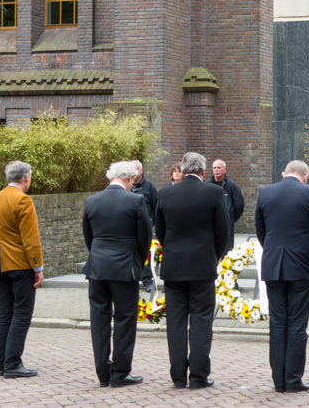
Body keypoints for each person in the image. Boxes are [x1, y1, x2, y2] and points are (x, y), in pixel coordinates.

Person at [155, 152, 229, 390]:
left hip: (174, 268)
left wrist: (173, 252)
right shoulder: (214, 193)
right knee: (201, 321)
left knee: (175, 323)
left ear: (183, 169)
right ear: (203, 172)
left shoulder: (165, 193)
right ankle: (198, 377)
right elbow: (223, 232)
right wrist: (212, 256)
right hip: (202, 267)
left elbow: (161, 231)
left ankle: (178, 377)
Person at [255, 160, 309, 394]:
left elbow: (261, 230)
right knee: (297, 324)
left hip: (273, 264)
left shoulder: (265, 192)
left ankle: (279, 380)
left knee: (277, 324)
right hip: (301, 266)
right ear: (305, 176)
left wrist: (273, 251)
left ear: (283, 173)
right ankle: (293, 379)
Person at [82, 160, 151, 388]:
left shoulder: (92, 201)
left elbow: (89, 237)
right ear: (130, 179)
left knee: (99, 320)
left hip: (98, 268)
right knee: (124, 319)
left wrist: (99, 256)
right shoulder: (135, 200)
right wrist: (137, 262)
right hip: (124, 269)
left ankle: (103, 372)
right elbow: (144, 238)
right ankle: (120, 373)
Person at [0, 160, 44, 379]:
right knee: (22, 313)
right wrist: (37, 266)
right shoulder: (23, 200)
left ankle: (2, 363)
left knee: (4, 313)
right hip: (20, 263)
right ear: (26, 177)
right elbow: (30, 238)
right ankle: (13, 363)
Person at [130, 160, 159, 293]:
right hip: (128, 228)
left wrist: (151, 222)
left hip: (144, 228)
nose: (134, 172)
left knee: (144, 254)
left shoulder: (149, 187)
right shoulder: (126, 185)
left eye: (136, 169)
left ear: (141, 170)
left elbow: (156, 206)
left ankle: (147, 280)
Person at [209, 159, 245, 251]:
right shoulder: (207, 185)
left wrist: (230, 218)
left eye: (219, 168)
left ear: (224, 169)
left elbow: (239, 205)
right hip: (210, 226)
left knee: (227, 252)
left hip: (227, 226)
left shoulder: (232, 186)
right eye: (214, 168)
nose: (216, 170)